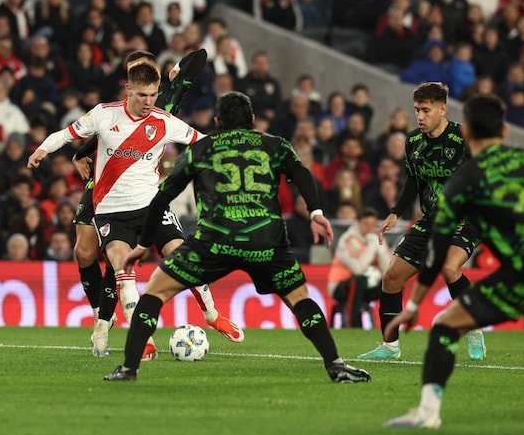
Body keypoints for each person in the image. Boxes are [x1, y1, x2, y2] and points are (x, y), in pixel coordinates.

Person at [102, 91, 370, 383]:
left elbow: (162, 198)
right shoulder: (274, 145)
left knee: (154, 291)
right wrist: (316, 212)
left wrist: (143, 244)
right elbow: (302, 174)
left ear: (217, 121)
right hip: (266, 243)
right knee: (300, 299)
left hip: (213, 242)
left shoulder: (200, 149)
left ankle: (129, 368)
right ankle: (336, 364)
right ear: (252, 120)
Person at [28, 60, 244, 362]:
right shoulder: (104, 115)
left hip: (151, 207)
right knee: (123, 272)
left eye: (154, 95)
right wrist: (42, 150)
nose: (149, 102)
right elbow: (65, 134)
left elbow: (203, 142)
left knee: (183, 258)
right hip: (112, 213)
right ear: (128, 89)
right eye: (143, 95)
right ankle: (144, 341)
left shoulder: (163, 120)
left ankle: (212, 314)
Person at [382, 95, 524, 428]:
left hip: (516, 279)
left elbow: (437, 245)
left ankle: (429, 412)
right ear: (505, 131)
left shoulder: (464, 181)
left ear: (467, 135)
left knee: (445, 327)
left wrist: (416, 303)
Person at [359, 82, 485, 361]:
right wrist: (395, 212)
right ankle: (390, 346)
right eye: (417, 110)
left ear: (443, 109)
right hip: (433, 218)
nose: (420, 116)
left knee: (450, 267)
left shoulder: (464, 138)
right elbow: (413, 182)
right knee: (391, 277)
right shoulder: (413, 142)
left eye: (426, 110)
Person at [327, 207, 391, 328]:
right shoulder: (347, 241)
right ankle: (354, 324)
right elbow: (358, 269)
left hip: (366, 286)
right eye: (366, 224)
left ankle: (390, 323)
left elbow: (387, 269)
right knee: (359, 280)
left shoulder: (375, 240)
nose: (369, 228)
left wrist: (381, 250)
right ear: (358, 223)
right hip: (340, 287)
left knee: (392, 283)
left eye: (373, 224)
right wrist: (372, 247)